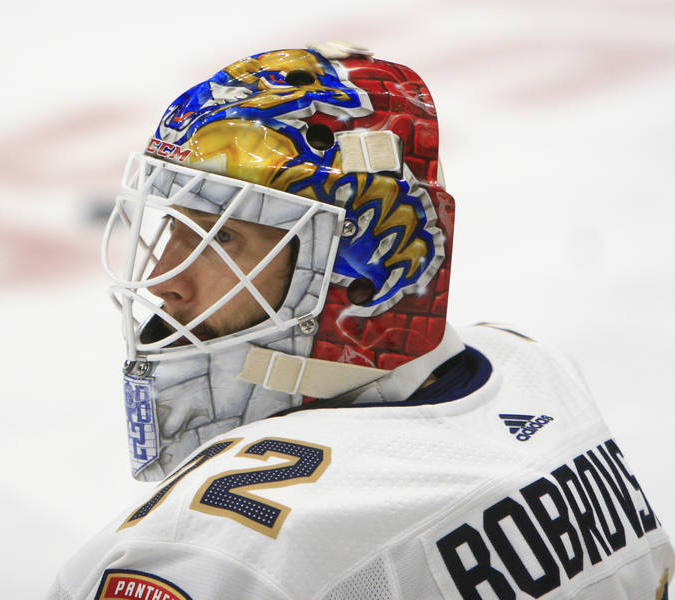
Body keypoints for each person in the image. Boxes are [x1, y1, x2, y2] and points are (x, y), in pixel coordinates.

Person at [49, 42, 673, 599]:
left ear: (356, 269)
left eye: (222, 237)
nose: (163, 280)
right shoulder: (538, 374)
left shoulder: (217, 549)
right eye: (170, 227)